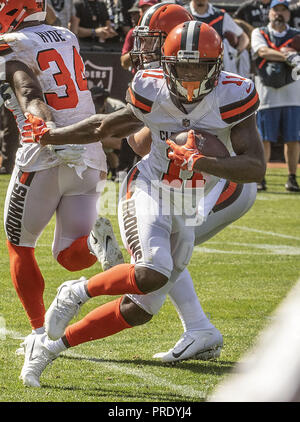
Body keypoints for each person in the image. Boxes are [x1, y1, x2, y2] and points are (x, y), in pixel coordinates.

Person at [19, 21, 265, 387]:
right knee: (153, 270)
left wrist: (200, 162)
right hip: (149, 187)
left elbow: (254, 166)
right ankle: (75, 292)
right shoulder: (151, 88)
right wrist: (53, 134)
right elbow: (106, 126)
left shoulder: (233, 94)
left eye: (200, 68)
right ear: (168, 65)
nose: (192, 77)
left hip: (188, 196)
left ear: (217, 67)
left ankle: (49, 349)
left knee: (140, 309)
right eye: (184, 67)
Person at [0, 0, 124, 352]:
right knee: (70, 254)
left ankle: (39, 333)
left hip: (44, 149)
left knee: (20, 247)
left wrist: (49, 130)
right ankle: (95, 243)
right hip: (89, 150)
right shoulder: (66, 35)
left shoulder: (13, 44)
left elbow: (30, 93)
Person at [251, 0, 300, 192]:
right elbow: (262, 51)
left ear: (289, 14)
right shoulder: (259, 32)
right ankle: (260, 177)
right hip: (266, 94)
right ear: (269, 13)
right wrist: (288, 56)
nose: (279, 14)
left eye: (283, 11)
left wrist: (283, 55)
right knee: (264, 139)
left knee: (293, 139)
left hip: (293, 93)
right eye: (276, 10)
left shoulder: (296, 35)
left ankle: (292, 178)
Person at [184, 0, 250, 75]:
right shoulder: (183, 13)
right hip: (187, 64)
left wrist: (236, 52)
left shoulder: (220, 16)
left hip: (216, 67)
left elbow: (243, 37)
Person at [120, 0, 158, 71]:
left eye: (150, 10)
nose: (147, 14)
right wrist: (137, 51)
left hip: (161, 78)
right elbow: (124, 63)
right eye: (144, 10)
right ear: (140, 12)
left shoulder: (165, 31)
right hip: (140, 77)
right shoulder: (133, 32)